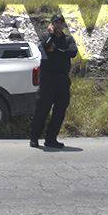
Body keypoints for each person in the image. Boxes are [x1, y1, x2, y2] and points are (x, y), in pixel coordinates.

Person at [29, 14, 80, 149]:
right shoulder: (46, 37)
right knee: (42, 109)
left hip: (62, 79)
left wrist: (56, 50)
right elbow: (46, 47)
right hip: (47, 79)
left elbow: (73, 52)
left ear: (64, 24)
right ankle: (34, 138)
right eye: (56, 22)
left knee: (60, 110)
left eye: (61, 22)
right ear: (52, 24)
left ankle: (51, 139)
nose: (58, 24)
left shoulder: (68, 39)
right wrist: (51, 36)